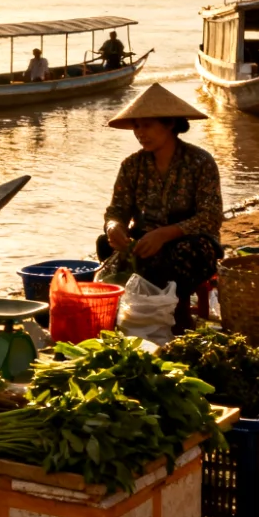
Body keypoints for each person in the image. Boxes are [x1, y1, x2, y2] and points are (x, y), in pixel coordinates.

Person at [97, 84, 222, 332]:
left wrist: (165, 234)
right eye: (136, 126)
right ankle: (144, 313)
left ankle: (179, 314)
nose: (140, 133)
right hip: (146, 240)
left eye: (148, 125)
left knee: (177, 253)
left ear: (170, 124)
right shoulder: (132, 166)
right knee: (104, 243)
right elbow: (117, 210)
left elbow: (210, 217)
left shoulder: (200, 161)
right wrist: (114, 227)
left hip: (193, 242)